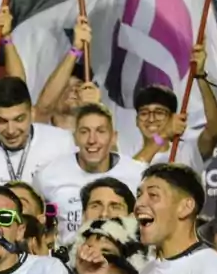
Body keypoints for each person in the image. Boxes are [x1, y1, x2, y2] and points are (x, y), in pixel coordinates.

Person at [34, 104, 149, 245]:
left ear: (113, 137)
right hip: (67, 262)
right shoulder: (48, 175)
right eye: (84, 132)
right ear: (75, 137)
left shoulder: (138, 175)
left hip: (122, 261)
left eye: (100, 131)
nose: (92, 140)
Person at [0, 77, 74, 192]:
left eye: (19, 119)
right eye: (2, 121)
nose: (11, 130)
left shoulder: (62, 143)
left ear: (32, 113)